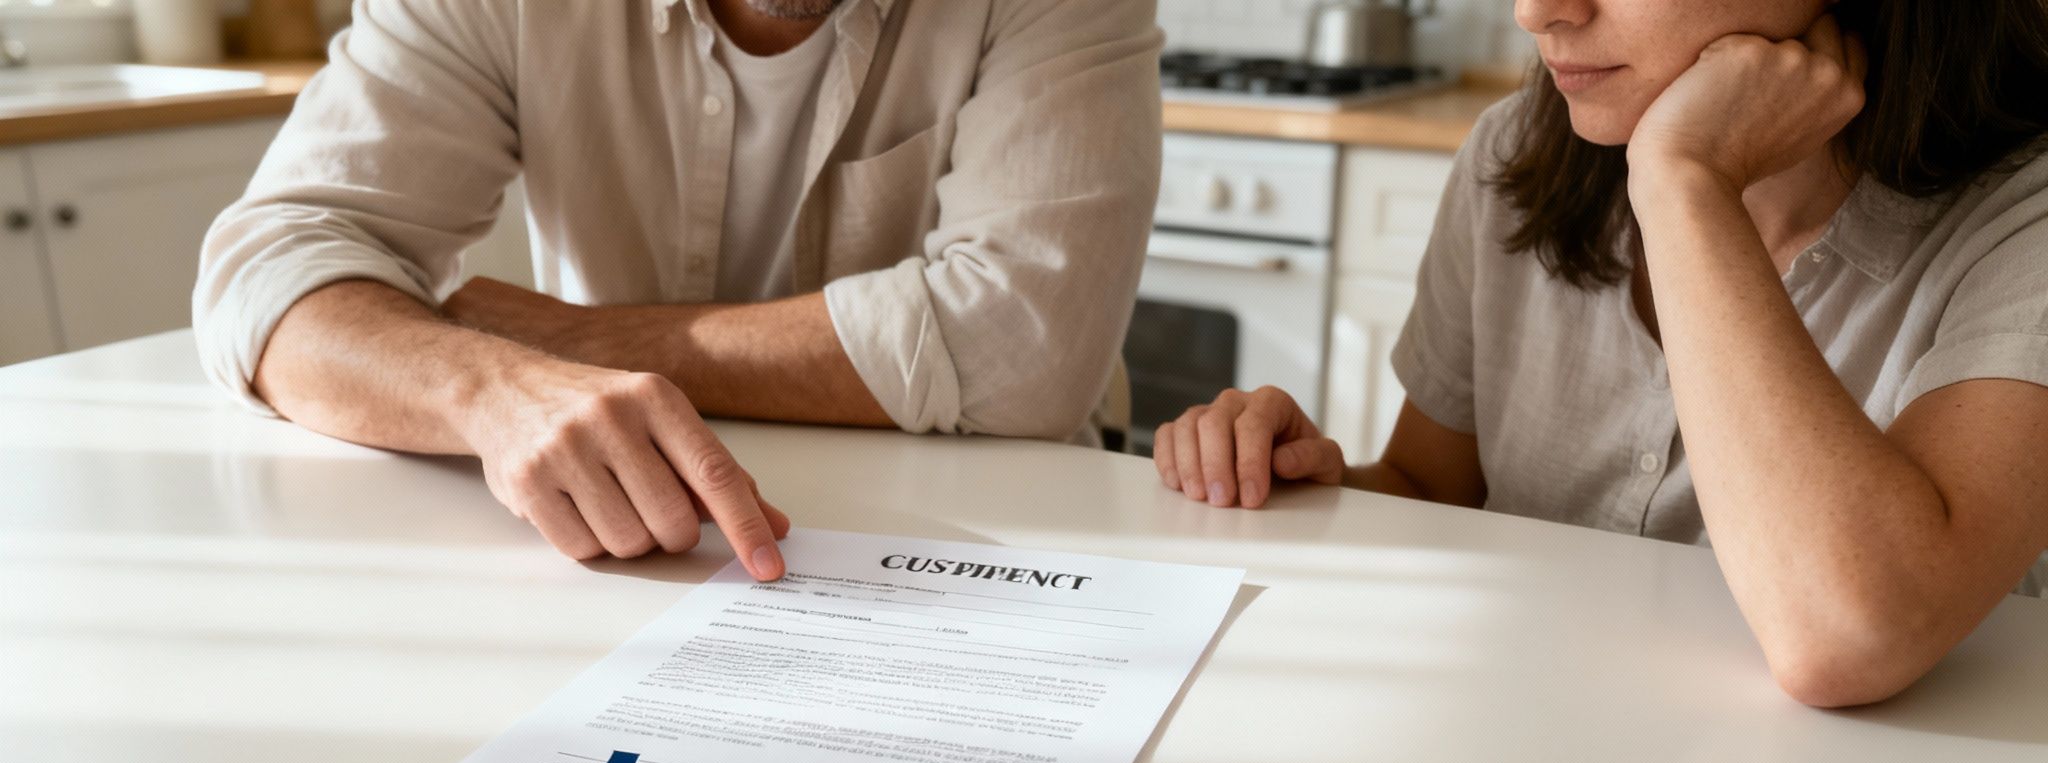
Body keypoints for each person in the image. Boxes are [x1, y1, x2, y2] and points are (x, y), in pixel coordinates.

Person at [1155, 0, 2048, 708]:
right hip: (1526, 750)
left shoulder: (2022, 218)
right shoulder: (1514, 153)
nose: (1536, 11)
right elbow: (1434, 490)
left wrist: (1686, 183)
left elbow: (1847, 636)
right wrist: (1301, 476)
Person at [196, 0, 1162, 579]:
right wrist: (489, 390)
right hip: (630, 540)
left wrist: (572, 341)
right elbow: (270, 267)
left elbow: (1024, 352)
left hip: (991, 545)